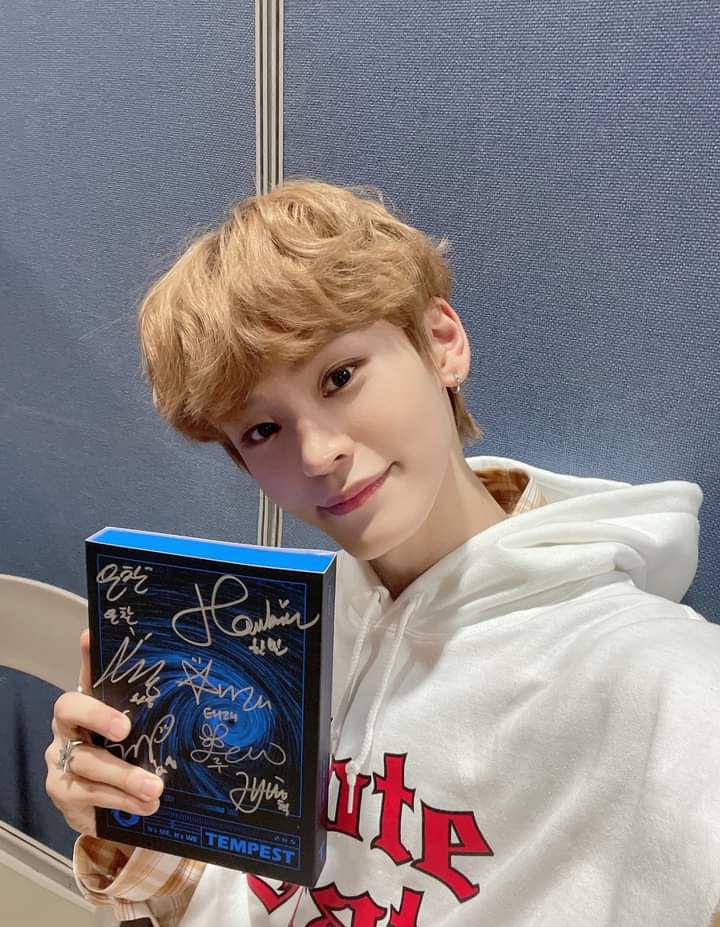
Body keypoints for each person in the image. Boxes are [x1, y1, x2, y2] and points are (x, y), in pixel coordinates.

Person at [45, 178, 720, 927]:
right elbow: (228, 901)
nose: (319, 454)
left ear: (441, 343)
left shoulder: (658, 678)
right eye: (262, 430)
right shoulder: (266, 640)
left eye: (339, 377)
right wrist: (125, 820)